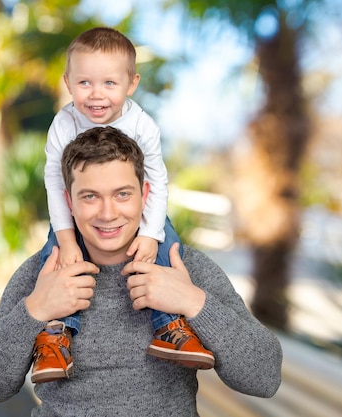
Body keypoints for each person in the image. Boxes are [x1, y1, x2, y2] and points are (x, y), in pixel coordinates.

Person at [0, 126, 283, 416]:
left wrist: (193, 302)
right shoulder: (42, 274)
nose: (108, 213)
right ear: (68, 203)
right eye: (89, 197)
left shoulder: (184, 266)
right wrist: (34, 310)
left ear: (145, 196)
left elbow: (264, 378)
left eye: (122, 194)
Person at [35, 27, 211, 383]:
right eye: (85, 83)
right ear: (67, 82)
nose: (96, 95)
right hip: (73, 219)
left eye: (109, 84)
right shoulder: (63, 124)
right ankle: (56, 335)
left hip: (144, 217)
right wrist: (68, 241)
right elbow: (55, 185)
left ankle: (170, 326)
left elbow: (158, 182)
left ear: (132, 83)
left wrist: (150, 233)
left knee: (166, 246)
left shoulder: (142, 125)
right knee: (54, 256)